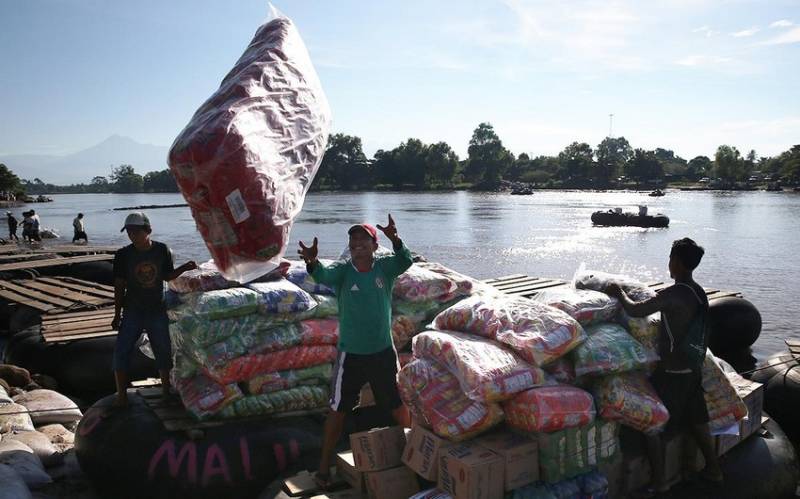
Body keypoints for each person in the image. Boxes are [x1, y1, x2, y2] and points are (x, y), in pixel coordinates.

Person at [298, 214, 413, 489]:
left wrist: (395, 239)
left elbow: (405, 261)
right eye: (353, 239)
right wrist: (311, 261)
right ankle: (323, 470)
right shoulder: (342, 271)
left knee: (396, 405)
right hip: (351, 355)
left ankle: (415, 455)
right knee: (337, 410)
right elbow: (321, 274)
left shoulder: (384, 269)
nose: (357, 243)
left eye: (364, 239)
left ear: (375, 246)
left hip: (383, 352)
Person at [604, 238, 722, 496]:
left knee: (651, 421)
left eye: (671, 258)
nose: (669, 263)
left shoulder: (675, 293)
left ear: (677, 262)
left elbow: (636, 311)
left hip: (672, 373)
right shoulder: (698, 292)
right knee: (698, 421)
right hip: (693, 369)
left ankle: (660, 483)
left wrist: (618, 292)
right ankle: (712, 470)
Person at [111, 212, 197, 407]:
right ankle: (121, 396)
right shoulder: (123, 255)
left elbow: (167, 276)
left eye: (136, 231)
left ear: (148, 230)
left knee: (163, 350)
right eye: (129, 232)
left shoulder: (161, 250)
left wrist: (184, 268)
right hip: (132, 310)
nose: (132, 235)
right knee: (121, 351)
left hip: (156, 310)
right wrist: (116, 314)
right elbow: (119, 285)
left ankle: (166, 391)